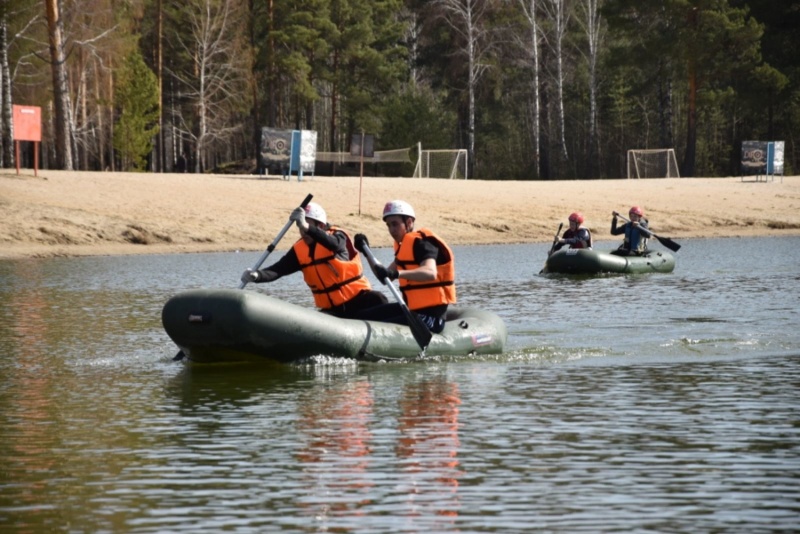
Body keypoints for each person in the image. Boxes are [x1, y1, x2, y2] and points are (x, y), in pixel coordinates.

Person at [240, 202, 387, 318]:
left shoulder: (338, 237)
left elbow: (333, 244)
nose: (303, 232)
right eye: (300, 228)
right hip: (333, 311)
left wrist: (306, 226)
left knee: (378, 299)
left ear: (321, 226)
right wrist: (257, 276)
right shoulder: (299, 249)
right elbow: (278, 269)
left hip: (359, 302)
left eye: (307, 226)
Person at [353, 200, 456, 334]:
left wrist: (397, 274)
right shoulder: (405, 247)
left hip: (431, 318)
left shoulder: (423, 243)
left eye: (395, 224)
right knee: (361, 317)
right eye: (388, 225)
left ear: (409, 222)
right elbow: (383, 277)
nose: (391, 230)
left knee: (377, 327)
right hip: (413, 310)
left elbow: (430, 272)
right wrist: (367, 253)